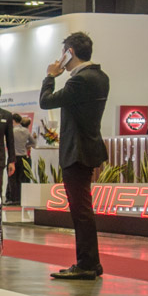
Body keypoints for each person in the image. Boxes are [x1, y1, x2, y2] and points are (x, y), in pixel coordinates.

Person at [39, 32, 110, 280]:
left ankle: (87, 263)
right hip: (86, 149)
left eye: (63, 53)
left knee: (80, 211)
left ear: (70, 52)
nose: (60, 58)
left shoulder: (80, 80)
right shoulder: (100, 76)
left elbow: (46, 101)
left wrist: (50, 76)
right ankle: (91, 262)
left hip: (77, 152)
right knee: (82, 209)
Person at [5, 113, 34, 205]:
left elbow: (8, 143)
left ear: (13, 121)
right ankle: (20, 199)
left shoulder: (12, 131)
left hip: (13, 157)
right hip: (23, 157)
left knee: (12, 178)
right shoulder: (26, 131)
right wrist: (26, 146)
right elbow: (33, 143)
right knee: (21, 178)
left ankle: (13, 198)